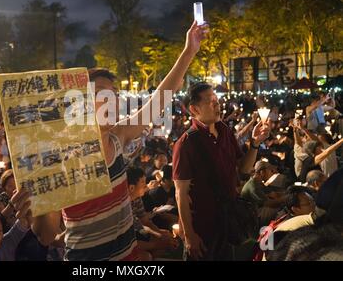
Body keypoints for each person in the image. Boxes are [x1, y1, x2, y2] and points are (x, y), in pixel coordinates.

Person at [52, 20, 208, 261]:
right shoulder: (61, 156)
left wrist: (189, 52)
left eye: (114, 94)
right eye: (102, 93)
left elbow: (160, 99)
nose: (112, 100)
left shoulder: (118, 137)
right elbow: (46, 234)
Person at [173, 82, 270, 260]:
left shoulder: (224, 130)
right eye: (211, 102)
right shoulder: (186, 143)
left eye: (217, 100)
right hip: (202, 227)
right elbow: (181, 193)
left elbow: (244, 169)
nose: (218, 105)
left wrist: (255, 143)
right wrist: (189, 235)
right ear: (194, 109)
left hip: (227, 221)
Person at [127, 167, 178, 260]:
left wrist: (159, 233)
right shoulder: (124, 206)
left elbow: (145, 221)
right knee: (147, 256)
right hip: (127, 244)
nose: (146, 185)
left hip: (139, 234)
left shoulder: (137, 198)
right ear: (131, 187)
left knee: (165, 236)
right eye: (142, 182)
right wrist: (156, 244)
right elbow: (129, 242)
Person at [241, 161, 286, 225]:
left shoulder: (258, 183)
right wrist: (286, 198)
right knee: (281, 212)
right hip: (251, 216)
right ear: (262, 172)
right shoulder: (254, 186)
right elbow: (269, 203)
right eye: (270, 171)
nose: (272, 173)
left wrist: (288, 193)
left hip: (257, 211)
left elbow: (274, 194)